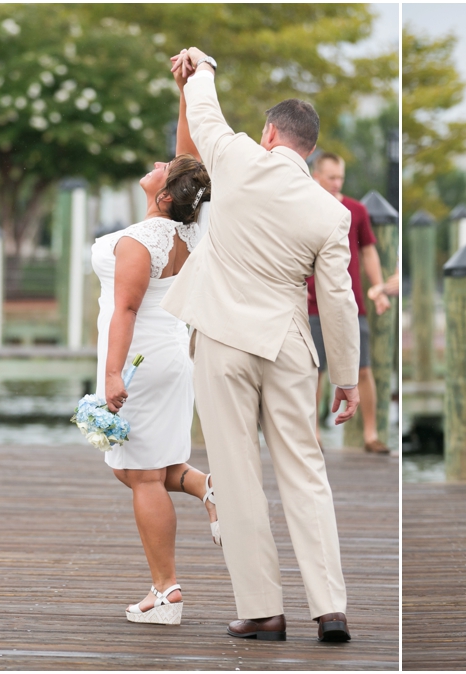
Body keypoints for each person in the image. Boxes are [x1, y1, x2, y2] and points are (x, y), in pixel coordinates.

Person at [161, 47, 360, 643]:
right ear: (311, 152)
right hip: (290, 344)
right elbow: (340, 300)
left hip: (222, 338)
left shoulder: (238, 156)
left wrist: (203, 65)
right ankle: (329, 609)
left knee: (238, 474)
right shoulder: (330, 213)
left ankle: (263, 611)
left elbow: (204, 114)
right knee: (306, 475)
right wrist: (346, 377)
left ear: (270, 132)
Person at [92, 64, 215, 626]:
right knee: (137, 466)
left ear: (163, 195)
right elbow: (189, 160)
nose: (162, 161)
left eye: (164, 169)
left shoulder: (143, 241)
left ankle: (166, 592)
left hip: (140, 358)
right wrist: (183, 92)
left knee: (139, 474)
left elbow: (125, 309)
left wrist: (113, 374)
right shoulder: (189, 228)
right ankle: (205, 487)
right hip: (170, 356)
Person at [308, 152, 391, 453]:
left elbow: (369, 252)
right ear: (316, 175)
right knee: (312, 371)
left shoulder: (355, 210)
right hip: (312, 303)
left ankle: (371, 434)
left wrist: (379, 288)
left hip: (352, 304)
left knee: (363, 369)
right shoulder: (305, 206)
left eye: (340, 177)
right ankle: (313, 433)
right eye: (331, 177)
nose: (336, 183)